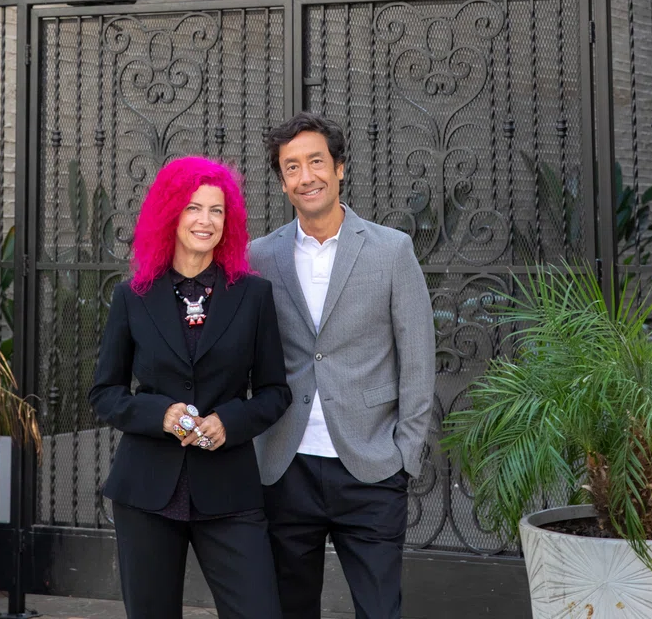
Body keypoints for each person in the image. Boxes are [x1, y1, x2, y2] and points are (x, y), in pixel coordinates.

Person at [249, 113, 435, 619]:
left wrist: (405, 455)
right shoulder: (260, 257)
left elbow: (417, 356)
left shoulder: (391, 250)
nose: (306, 176)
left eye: (315, 162)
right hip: (286, 466)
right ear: (283, 181)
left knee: (378, 610)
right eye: (292, 167)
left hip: (371, 466)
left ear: (339, 168)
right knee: (290, 609)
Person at [89, 155, 291, 619]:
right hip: (145, 492)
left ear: (230, 221)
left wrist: (228, 422)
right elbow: (105, 392)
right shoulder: (133, 296)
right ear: (170, 214)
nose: (205, 220)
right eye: (193, 208)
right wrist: (158, 414)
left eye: (216, 210)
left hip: (229, 491)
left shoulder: (253, 295)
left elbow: (275, 391)